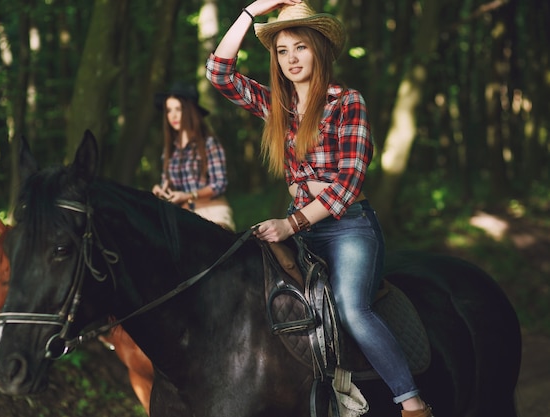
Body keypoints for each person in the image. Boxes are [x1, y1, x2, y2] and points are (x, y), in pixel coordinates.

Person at [206, 1, 433, 416]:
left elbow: (346, 185)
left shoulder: (347, 102)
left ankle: (411, 402)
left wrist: (290, 223)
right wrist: (251, 10)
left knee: (351, 307)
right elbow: (218, 73)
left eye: (301, 48)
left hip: (349, 228)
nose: (291, 59)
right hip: (305, 228)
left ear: (320, 49)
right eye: (281, 50)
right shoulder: (277, 104)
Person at [152, 82, 235, 231]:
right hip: (182, 216)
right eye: (169, 110)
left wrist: (189, 195)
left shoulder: (208, 143)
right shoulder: (170, 150)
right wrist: (162, 191)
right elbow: (168, 184)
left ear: (189, 111)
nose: (173, 115)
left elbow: (219, 184)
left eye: (179, 109)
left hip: (211, 212)